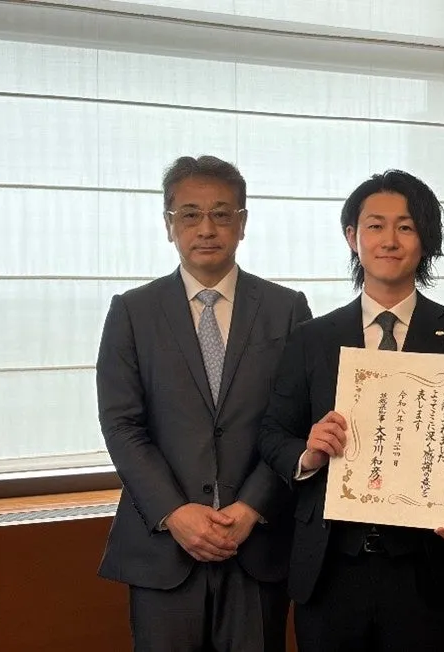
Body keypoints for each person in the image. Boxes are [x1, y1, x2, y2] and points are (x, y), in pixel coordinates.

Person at [256, 169, 444, 652]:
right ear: (352, 237)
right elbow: (273, 433)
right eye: (375, 226)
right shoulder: (312, 338)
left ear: (425, 240)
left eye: (406, 227)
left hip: (430, 569)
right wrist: (308, 454)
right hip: (330, 569)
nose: (389, 240)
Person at [96, 155, 312, 651]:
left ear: (243, 223)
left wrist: (251, 507)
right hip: (163, 547)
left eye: (222, 214)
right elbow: (122, 424)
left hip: (257, 542)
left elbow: (298, 420)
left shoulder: (286, 309)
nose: (207, 228)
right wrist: (175, 512)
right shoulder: (132, 311)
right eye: (190, 214)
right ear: (168, 224)